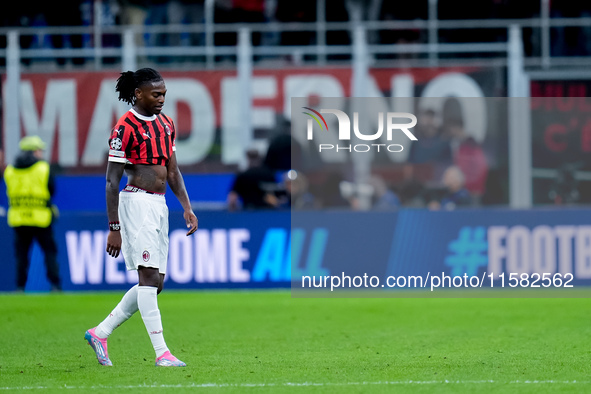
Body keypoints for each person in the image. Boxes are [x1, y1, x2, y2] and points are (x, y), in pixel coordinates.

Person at [84, 68, 198, 367]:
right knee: (147, 277)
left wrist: (186, 206)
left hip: (159, 205)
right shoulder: (125, 128)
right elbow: (111, 182)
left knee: (156, 282)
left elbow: (172, 171)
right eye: (155, 94)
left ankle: (101, 332)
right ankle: (162, 353)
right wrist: (114, 228)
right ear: (138, 94)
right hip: (135, 202)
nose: (161, 99)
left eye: (164, 94)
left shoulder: (167, 123)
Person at [3, 136, 62, 292]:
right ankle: (55, 285)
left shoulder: (9, 170)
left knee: (21, 255)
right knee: (49, 252)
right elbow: (51, 190)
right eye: (39, 150)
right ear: (34, 151)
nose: (41, 153)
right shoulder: (43, 168)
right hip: (41, 218)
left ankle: (20, 287)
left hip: (18, 218)